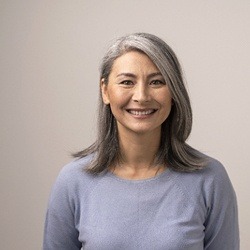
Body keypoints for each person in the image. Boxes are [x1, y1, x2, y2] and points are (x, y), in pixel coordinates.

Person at [43, 33, 239, 249]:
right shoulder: (73, 181)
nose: (142, 96)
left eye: (157, 82)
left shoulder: (210, 179)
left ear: (173, 92)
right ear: (105, 90)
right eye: (127, 82)